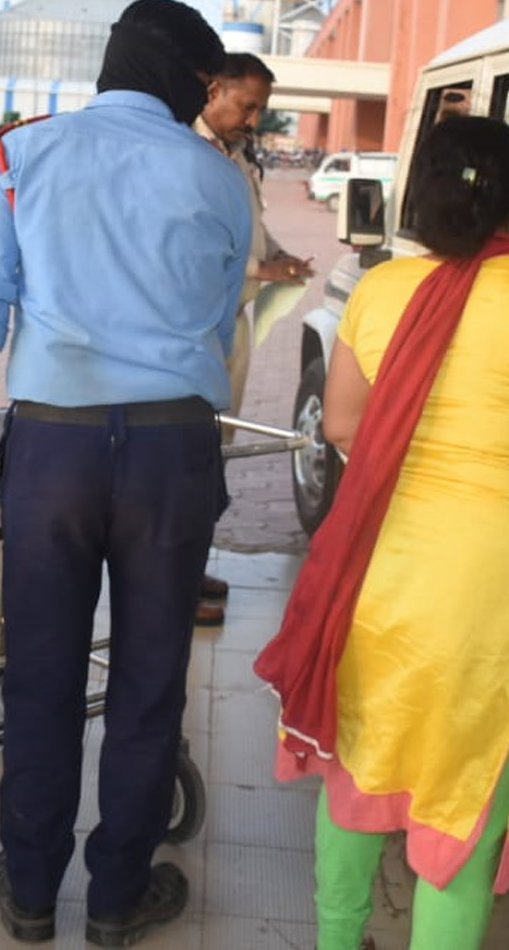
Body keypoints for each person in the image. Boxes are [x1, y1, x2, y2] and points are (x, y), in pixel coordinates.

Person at [0, 0, 251, 947]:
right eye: (205, 83)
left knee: (41, 671)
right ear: (178, 79)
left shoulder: (16, 158)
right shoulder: (221, 182)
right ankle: (118, 896)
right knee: (151, 675)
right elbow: (215, 321)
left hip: (53, 455)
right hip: (171, 450)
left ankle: (31, 889)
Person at [254, 115, 509, 949]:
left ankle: (339, 939)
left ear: (416, 192)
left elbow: (342, 421)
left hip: (382, 583)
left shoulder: (379, 289)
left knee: (356, 777)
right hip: (486, 602)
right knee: (465, 808)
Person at [192, 52, 314, 626]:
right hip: (195, 330)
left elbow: (250, 231)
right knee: (189, 454)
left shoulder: (237, 155)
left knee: (216, 452)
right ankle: (174, 578)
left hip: (232, 327)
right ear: (213, 90)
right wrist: (260, 272)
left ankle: (190, 565)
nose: (253, 120)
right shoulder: (184, 153)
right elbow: (190, 247)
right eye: (247, 106)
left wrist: (278, 256)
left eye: (259, 110)